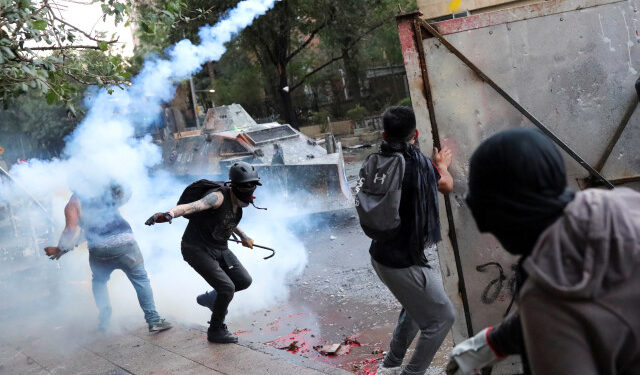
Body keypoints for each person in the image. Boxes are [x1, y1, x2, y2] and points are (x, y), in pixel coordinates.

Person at [449, 128, 640, 375]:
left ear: (501, 215)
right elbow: (582, 310)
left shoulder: (545, 297)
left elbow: (556, 311)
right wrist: (493, 343)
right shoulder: (622, 203)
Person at [371, 106, 455, 375]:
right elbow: (446, 185)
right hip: (401, 261)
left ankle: (390, 367)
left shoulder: (378, 160)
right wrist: (442, 166)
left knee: (417, 307)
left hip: (380, 254)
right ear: (416, 134)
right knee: (442, 317)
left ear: (384, 135)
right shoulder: (416, 165)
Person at [145, 161, 260, 344]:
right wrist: (169, 214)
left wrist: (244, 236)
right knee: (227, 288)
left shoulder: (238, 201)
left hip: (219, 247)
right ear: (236, 185)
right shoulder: (217, 197)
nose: (250, 189)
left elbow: (228, 218)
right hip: (196, 248)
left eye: (253, 185)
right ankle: (215, 330)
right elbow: (191, 207)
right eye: (246, 185)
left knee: (243, 280)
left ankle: (211, 299)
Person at [44, 183, 172, 333]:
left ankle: (105, 322)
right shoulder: (101, 190)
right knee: (140, 279)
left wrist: (60, 249)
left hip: (99, 250)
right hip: (126, 244)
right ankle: (153, 319)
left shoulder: (73, 204)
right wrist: (62, 250)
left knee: (99, 282)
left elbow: (74, 230)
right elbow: (126, 192)